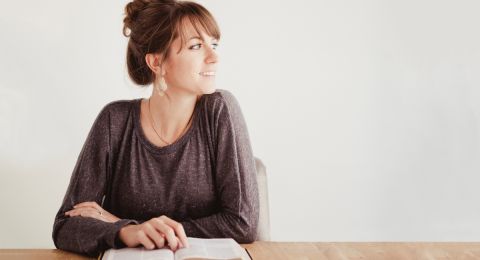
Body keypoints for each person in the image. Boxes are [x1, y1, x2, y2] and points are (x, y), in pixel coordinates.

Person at [52, 0, 259, 257]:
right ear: (156, 62)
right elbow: (66, 225)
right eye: (196, 46)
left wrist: (131, 226)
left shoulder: (220, 110)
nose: (214, 56)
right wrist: (125, 232)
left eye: (214, 44)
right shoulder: (114, 121)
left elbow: (243, 223)